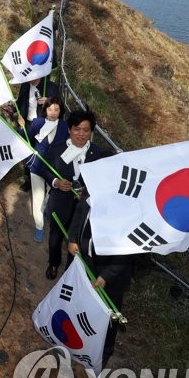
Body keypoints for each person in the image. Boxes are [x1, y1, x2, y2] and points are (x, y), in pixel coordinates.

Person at [40, 109, 112, 280]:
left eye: (86, 130)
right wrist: (57, 182)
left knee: (77, 241)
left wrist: (88, 193)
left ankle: (69, 273)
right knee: (55, 236)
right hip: (60, 202)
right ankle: (53, 262)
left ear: (91, 132)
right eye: (77, 129)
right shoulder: (57, 149)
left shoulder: (99, 154)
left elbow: (104, 179)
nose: (81, 134)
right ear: (69, 130)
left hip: (84, 209)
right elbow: (45, 169)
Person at [68, 195, 133, 364]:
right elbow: (79, 212)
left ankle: (105, 352)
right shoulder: (92, 186)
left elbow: (129, 252)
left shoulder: (129, 209)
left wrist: (105, 276)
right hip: (84, 259)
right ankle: (77, 338)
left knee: (108, 316)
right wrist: (72, 239)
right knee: (81, 302)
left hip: (112, 275)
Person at [27, 96, 69, 243]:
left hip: (54, 169)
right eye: (50, 109)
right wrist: (21, 127)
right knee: (37, 198)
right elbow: (25, 138)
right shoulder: (38, 122)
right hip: (37, 166)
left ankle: (44, 210)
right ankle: (39, 227)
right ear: (45, 110)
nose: (53, 112)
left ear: (61, 111)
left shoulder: (64, 126)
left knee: (49, 196)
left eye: (56, 109)